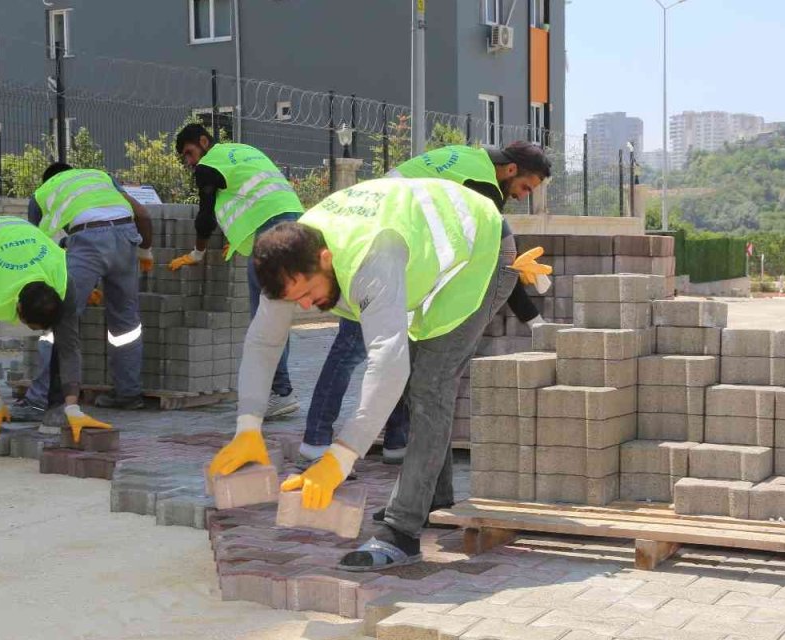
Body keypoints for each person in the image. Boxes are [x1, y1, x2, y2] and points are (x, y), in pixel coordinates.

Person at [207, 178, 549, 571]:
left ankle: (402, 532)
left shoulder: (370, 258)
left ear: (324, 258)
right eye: (294, 299)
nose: (305, 305)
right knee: (416, 386)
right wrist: (247, 426)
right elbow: (264, 342)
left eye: (307, 293)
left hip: (479, 248)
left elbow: (387, 364)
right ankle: (432, 501)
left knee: (428, 384)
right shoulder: (290, 256)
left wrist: (340, 457)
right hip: (425, 245)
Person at [300, 142, 553, 464]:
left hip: (395, 250)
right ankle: (317, 444)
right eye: (525, 187)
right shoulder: (482, 182)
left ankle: (396, 441)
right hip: (370, 251)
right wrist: (532, 317)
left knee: (399, 349)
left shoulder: (470, 159)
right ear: (511, 170)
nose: (523, 196)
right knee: (352, 349)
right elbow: (489, 255)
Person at [0, 216, 110, 463]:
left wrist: (73, 404)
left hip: (19, 243)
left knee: (64, 338)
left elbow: (70, 345)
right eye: (31, 326)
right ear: (17, 308)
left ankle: (59, 409)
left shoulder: (63, 283)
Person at [170, 123, 304, 419]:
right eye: (185, 158)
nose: (189, 162)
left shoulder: (208, 165)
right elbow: (248, 195)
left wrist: (197, 252)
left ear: (203, 142)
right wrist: (239, 235)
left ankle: (280, 392)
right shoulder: (241, 151)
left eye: (189, 153)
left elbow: (205, 218)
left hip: (270, 230)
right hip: (292, 221)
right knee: (275, 310)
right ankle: (279, 390)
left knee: (265, 315)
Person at [16, 163, 155, 418]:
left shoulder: (42, 193)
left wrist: (73, 279)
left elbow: (38, 248)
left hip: (89, 240)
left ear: (47, 181)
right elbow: (143, 215)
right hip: (126, 237)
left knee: (59, 319)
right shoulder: (102, 177)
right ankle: (128, 394)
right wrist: (145, 251)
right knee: (126, 324)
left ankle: (39, 401)